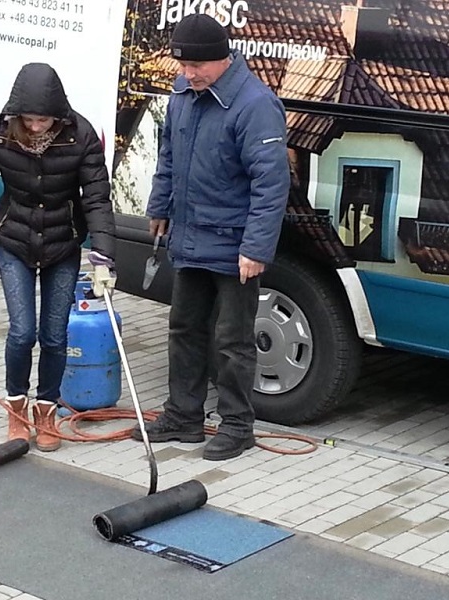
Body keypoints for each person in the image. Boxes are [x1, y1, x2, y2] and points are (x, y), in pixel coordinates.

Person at [132, 14, 290, 460]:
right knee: (184, 328)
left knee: (233, 340)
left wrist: (256, 248)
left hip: (235, 245)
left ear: (220, 59)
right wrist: (159, 206)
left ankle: (237, 426)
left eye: (194, 67)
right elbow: (168, 156)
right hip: (189, 237)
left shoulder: (255, 105)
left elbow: (271, 184)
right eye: (182, 66)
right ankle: (183, 415)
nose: (186, 75)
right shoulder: (183, 95)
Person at [0, 62, 116, 452]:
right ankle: (17, 408)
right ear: (17, 114)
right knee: (23, 331)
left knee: (54, 335)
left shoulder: (80, 135)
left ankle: (47, 411)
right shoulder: (1, 132)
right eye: (30, 119)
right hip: (13, 240)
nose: (37, 126)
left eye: (44, 119)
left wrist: (104, 255)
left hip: (63, 244)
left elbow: (98, 199)